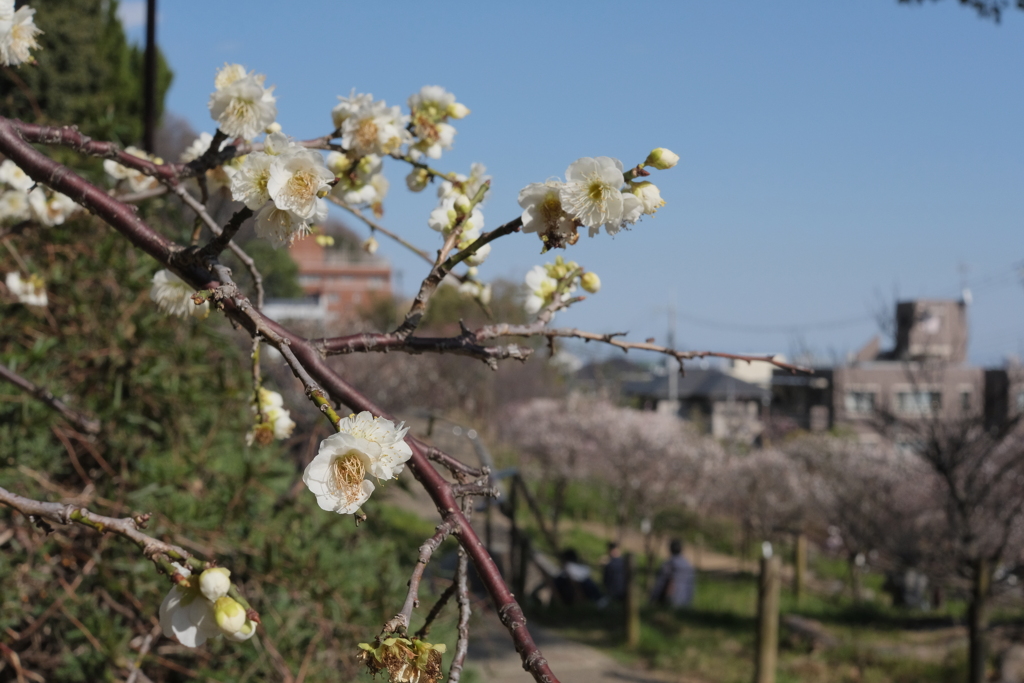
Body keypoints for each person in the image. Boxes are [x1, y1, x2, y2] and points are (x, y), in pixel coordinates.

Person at [650, 538, 695, 608]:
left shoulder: (668, 564)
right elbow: (691, 587)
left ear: (670, 549)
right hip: (685, 603)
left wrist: (652, 599)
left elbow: (660, 584)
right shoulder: (689, 566)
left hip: (669, 602)